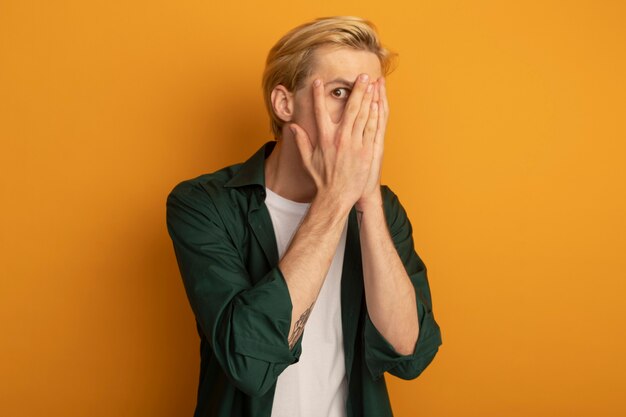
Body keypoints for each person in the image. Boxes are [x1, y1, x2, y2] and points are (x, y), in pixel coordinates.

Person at [166, 15, 442, 417]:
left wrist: (364, 199)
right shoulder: (204, 204)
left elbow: (408, 351)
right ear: (284, 103)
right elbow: (250, 361)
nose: (358, 115)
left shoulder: (383, 209)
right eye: (341, 92)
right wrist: (334, 198)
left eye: (370, 99)